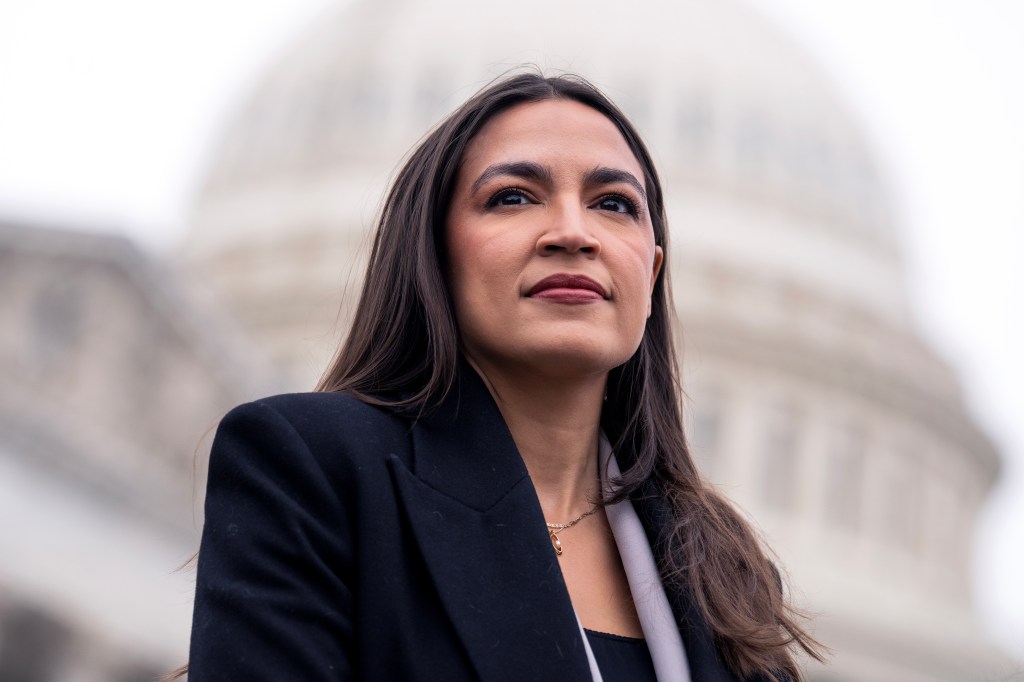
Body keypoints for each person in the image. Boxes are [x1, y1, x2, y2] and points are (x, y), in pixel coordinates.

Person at [186, 71, 824, 681]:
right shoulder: (318, 470)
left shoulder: (723, 575)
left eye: (614, 204)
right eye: (512, 197)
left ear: (650, 277)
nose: (574, 233)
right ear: (434, 254)